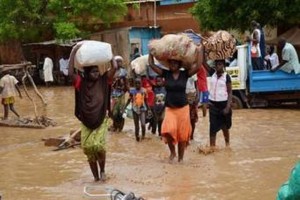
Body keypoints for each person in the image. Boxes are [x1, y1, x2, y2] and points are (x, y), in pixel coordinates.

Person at [68, 42, 117, 182]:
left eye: (97, 71)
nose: (97, 73)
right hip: (86, 119)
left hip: (101, 118)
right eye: (93, 72)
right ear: (87, 73)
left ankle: (102, 171)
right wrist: (74, 52)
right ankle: (95, 177)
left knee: (98, 146)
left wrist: (110, 53)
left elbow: (114, 67)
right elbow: (70, 72)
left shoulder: (104, 80)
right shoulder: (80, 83)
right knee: (88, 148)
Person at [148, 46, 202, 162]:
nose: (172, 64)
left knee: (182, 136)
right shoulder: (165, 74)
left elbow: (198, 66)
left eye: (175, 63)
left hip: (183, 108)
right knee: (167, 131)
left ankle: (180, 159)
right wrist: (151, 52)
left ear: (179, 64)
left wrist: (200, 51)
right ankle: (173, 153)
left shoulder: (185, 74)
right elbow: (152, 65)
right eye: (171, 62)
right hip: (170, 108)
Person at [208, 59, 232, 150]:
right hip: (213, 105)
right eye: (217, 64)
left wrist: (227, 107)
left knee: (224, 127)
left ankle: (227, 145)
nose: (218, 66)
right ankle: (212, 148)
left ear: (223, 66)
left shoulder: (227, 77)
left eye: (220, 64)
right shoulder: (212, 73)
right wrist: (201, 49)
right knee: (212, 128)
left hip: (223, 105)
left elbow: (230, 93)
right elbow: (203, 63)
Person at [124, 77, 148, 142]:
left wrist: (148, 110)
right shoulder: (132, 91)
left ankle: (143, 136)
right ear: (134, 84)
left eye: (139, 83)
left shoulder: (144, 91)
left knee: (143, 124)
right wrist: (125, 107)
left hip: (143, 109)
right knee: (136, 125)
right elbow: (129, 99)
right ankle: (137, 137)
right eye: (136, 83)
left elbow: (146, 101)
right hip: (134, 109)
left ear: (141, 84)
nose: (137, 85)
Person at [110, 56, 128, 132]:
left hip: (121, 94)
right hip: (112, 94)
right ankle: (114, 125)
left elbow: (126, 83)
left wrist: (128, 91)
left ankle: (120, 127)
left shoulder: (124, 71)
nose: (119, 63)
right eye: (117, 61)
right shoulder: (111, 71)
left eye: (120, 61)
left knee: (121, 112)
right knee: (113, 112)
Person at [185, 74, 198, 140]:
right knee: (185, 119)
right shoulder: (182, 71)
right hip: (185, 97)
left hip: (193, 97)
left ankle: (191, 136)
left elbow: (197, 85)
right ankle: (186, 136)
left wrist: (197, 97)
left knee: (192, 119)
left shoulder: (194, 73)